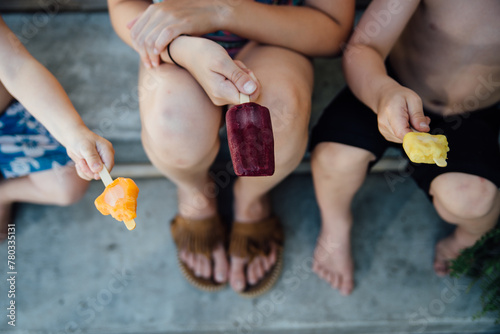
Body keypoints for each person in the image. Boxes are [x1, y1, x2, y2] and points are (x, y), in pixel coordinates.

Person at [108, 0, 354, 295]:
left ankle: (250, 197)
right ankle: (194, 190)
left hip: (275, 33)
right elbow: (124, 5)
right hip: (177, 42)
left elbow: (333, 28)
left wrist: (221, 11)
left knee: (279, 119)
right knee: (170, 124)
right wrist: (181, 50)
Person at [310, 0, 500, 296]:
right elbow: (363, 48)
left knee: (476, 200)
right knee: (334, 157)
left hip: (473, 114)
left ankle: (468, 238)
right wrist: (382, 93)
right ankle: (335, 225)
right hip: (390, 85)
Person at [0, 16, 115, 240]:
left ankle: (3, 195)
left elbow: (16, 67)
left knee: (67, 185)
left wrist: (73, 132)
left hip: (7, 123)